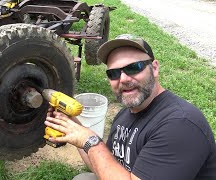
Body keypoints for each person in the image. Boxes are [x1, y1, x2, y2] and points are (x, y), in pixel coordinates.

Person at [44, 34, 216, 180]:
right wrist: (76, 130)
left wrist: (91, 141)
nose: (123, 79)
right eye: (114, 73)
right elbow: (105, 166)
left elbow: (96, 150)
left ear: (154, 68)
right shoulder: (125, 114)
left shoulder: (180, 124)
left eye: (134, 68)